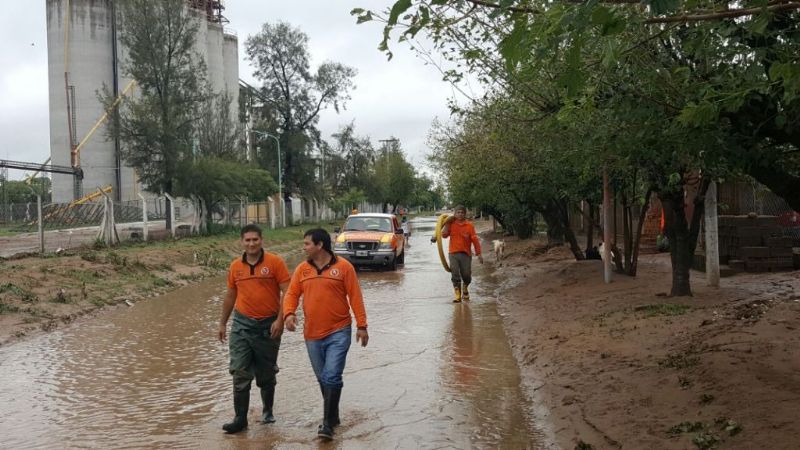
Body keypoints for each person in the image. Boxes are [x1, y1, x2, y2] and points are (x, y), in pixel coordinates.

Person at [283, 228, 369, 440]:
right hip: (312, 334)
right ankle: (333, 416)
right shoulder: (302, 269)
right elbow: (292, 293)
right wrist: (289, 314)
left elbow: (355, 297)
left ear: (320, 245)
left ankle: (327, 425)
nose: (304, 248)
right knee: (324, 378)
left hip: (339, 330)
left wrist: (362, 325)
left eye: (307, 244)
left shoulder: (344, 267)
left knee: (331, 375)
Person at [218, 224, 291, 434]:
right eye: (247, 240)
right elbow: (231, 295)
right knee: (240, 372)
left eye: (255, 240)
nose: (251, 244)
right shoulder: (235, 267)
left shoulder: (275, 262)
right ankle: (240, 418)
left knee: (266, 374)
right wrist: (222, 323)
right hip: (242, 325)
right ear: (242, 242)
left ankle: (267, 411)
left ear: (262, 240)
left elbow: (289, 292)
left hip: (268, 326)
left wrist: (280, 320)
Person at [431, 205, 483, 302]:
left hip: (466, 254)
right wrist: (446, 225)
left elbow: (475, 240)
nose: (460, 214)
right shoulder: (451, 224)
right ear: (455, 214)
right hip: (453, 253)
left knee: (466, 275)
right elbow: (444, 236)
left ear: (465, 214)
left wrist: (479, 253)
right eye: (458, 212)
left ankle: (465, 287)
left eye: (462, 212)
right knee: (455, 273)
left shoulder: (469, 226)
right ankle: (457, 295)